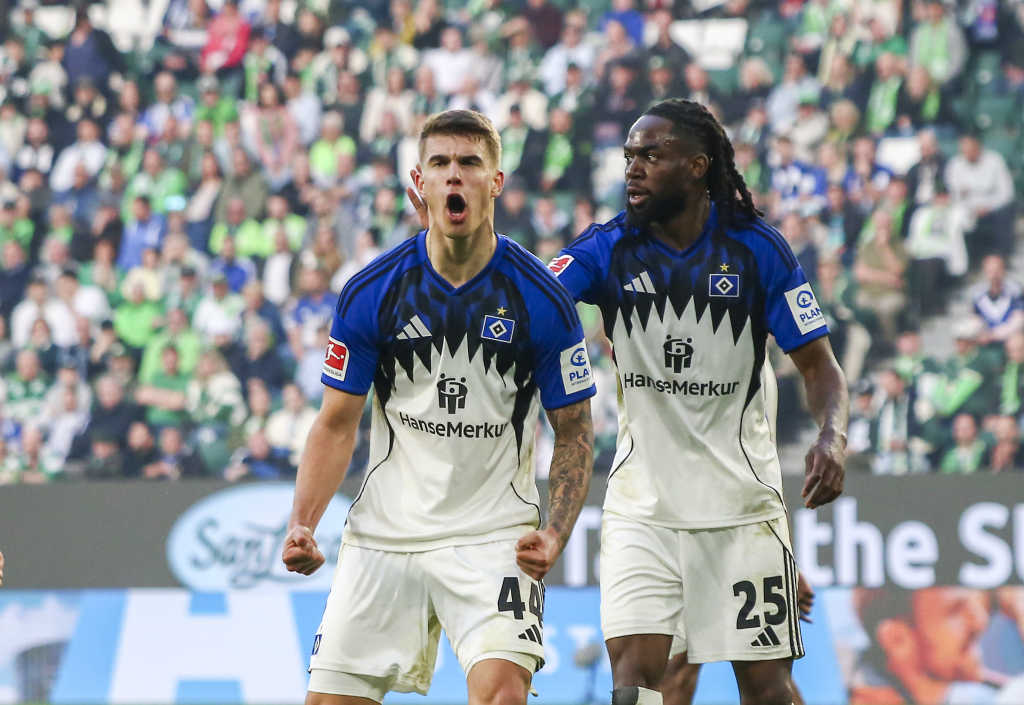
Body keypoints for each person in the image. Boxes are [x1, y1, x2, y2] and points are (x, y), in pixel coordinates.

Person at [283, 110, 596, 705]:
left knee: (503, 696)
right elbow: (335, 423)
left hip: (494, 536)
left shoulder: (543, 299)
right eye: (441, 163)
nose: (455, 176)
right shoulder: (371, 292)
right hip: (385, 533)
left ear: (496, 181)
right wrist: (303, 523)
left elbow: (575, 432)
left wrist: (555, 532)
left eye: (470, 163)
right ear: (418, 183)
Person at [549, 99, 848, 705]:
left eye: (651, 155)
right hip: (642, 509)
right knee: (635, 683)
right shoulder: (606, 249)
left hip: (740, 512)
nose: (633, 168)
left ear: (696, 165)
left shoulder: (757, 250)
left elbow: (820, 367)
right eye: (629, 156)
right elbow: (533, 300)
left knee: (767, 691)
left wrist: (831, 435)